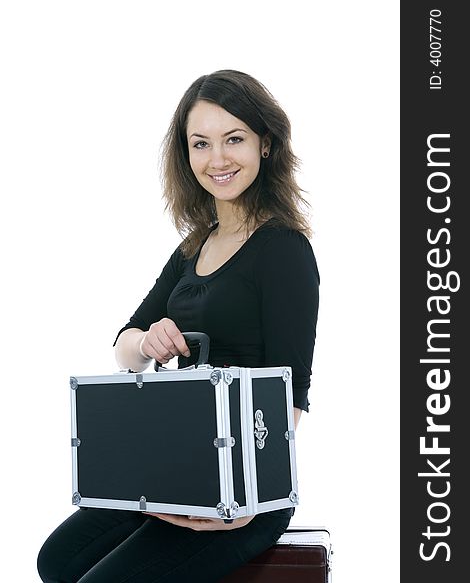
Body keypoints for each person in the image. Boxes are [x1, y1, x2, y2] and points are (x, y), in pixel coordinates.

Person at [37, 69, 320, 582]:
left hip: (247, 494)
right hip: (175, 474)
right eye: (201, 143)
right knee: (55, 562)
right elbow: (125, 346)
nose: (217, 159)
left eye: (234, 138)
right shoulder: (194, 246)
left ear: (267, 144)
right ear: (185, 155)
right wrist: (148, 341)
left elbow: (290, 402)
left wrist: (228, 502)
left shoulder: (284, 251)